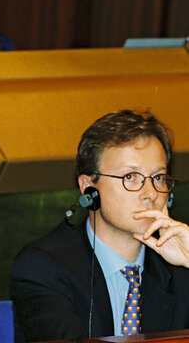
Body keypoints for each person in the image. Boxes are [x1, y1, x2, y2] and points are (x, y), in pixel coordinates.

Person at [11, 110, 189, 342]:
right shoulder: (43, 267)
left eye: (157, 177)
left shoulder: (179, 265)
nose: (150, 194)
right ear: (89, 188)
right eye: (130, 177)